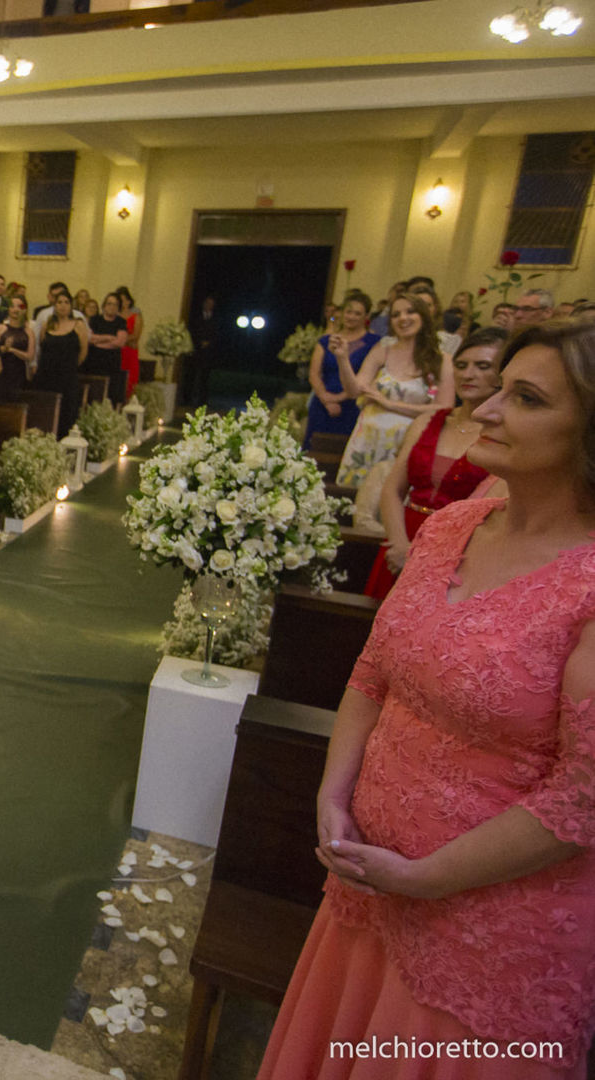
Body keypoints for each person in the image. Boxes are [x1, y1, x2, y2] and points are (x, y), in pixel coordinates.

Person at [259, 319, 595, 1079]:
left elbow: (582, 799)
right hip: (367, 886)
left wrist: (425, 878)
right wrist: (334, 795)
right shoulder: (451, 526)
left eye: (525, 398)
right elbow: (372, 672)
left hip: (493, 927)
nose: (484, 409)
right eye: (497, 389)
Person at [362, 327, 505, 598]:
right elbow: (393, 489)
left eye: (482, 366)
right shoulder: (428, 421)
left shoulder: (501, 435)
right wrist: (400, 546)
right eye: (461, 365)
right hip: (402, 539)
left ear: (502, 375)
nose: (468, 374)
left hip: (459, 554)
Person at [334, 295, 455, 488]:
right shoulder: (382, 350)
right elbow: (354, 390)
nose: (403, 318)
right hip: (367, 440)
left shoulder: (442, 360)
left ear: (423, 316)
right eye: (396, 314)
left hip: (406, 443)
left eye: (410, 311)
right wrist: (342, 359)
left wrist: (390, 404)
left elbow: (444, 407)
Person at [304, 290, 380, 448]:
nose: (351, 317)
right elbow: (314, 373)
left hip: (353, 405)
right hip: (322, 404)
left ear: (366, 316)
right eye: (348, 312)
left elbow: (370, 377)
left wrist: (339, 398)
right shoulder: (326, 340)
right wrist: (326, 399)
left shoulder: (374, 343)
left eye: (357, 313)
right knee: (314, 451)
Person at [31, 291, 87, 436]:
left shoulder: (78, 324)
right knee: (45, 415)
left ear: (71, 305)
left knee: (66, 415)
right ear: (54, 305)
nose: (62, 306)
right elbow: (41, 348)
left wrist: (71, 366)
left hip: (67, 377)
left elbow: (83, 353)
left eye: (66, 302)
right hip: (47, 376)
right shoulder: (47, 324)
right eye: (59, 302)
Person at [85, 293, 130, 406]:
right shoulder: (95, 320)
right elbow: (89, 338)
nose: (112, 307)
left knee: (110, 395)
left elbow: (120, 342)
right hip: (94, 362)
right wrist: (108, 338)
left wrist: (99, 342)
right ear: (104, 306)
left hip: (112, 363)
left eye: (115, 305)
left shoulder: (121, 322)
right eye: (109, 304)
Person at [0, 294, 32, 402]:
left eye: (20, 306)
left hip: (19, 374)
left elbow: (29, 356)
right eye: (12, 306)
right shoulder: (0, 328)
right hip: (2, 372)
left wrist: (12, 350)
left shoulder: (28, 331)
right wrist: (4, 348)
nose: (16, 309)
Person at [115, 285, 142, 398]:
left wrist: (120, 340)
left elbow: (135, 335)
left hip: (129, 353)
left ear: (129, 300)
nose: (123, 303)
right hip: (117, 352)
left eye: (124, 300)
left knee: (130, 381)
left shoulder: (136, 316)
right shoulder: (115, 316)